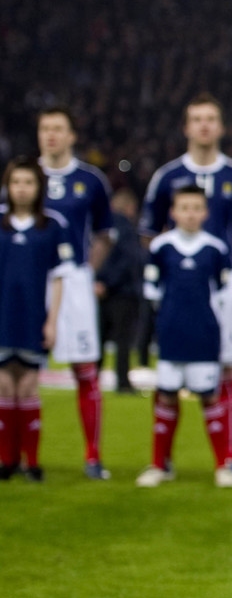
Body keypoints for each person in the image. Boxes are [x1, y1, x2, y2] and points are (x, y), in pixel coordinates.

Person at [142, 95, 232, 472]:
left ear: (222, 127)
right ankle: (164, 460)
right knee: (168, 376)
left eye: (211, 119)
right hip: (179, 291)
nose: (204, 126)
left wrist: (223, 268)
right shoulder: (167, 176)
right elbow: (151, 233)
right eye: (197, 119)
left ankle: (230, 457)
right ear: (186, 127)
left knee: (227, 369)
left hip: (222, 290)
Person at [136, 185, 232, 488]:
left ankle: (223, 466)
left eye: (196, 208)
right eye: (184, 207)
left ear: (205, 213)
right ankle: (159, 465)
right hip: (171, 334)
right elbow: (152, 292)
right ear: (173, 212)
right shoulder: (161, 248)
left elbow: (222, 296)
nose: (190, 214)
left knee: (209, 397)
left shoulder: (215, 249)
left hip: (204, 336)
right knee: (167, 395)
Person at [35, 107, 114, 479]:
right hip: (31, 282)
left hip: (75, 279)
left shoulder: (91, 180)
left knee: (85, 369)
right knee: (17, 369)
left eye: (58, 129)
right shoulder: (22, 177)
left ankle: (93, 456)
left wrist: (87, 273)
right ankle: (21, 457)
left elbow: (105, 233)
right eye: (45, 129)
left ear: (71, 136)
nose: (51, 135)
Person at [0, 160, 76, 482]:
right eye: (16, 181)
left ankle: (32, 462)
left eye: (28, 182)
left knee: (29, 387)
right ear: (8, 185)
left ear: (38, 187)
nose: (21, 188)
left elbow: (59, 278)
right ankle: (7, 460)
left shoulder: (51, 226)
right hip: (3, 316)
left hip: (33, 316)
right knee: (4, 385)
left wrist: (52, 321)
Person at [97, 188, 146, 396]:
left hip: (101, 290)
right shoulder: (123, 225)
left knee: (99, 337)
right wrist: (108, 282)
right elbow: (127, 259)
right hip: (122, 292)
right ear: (129, 207)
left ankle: (92, 379)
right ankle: (123, 381)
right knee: (122, 339)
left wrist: (98, 281)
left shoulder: (103, 225)